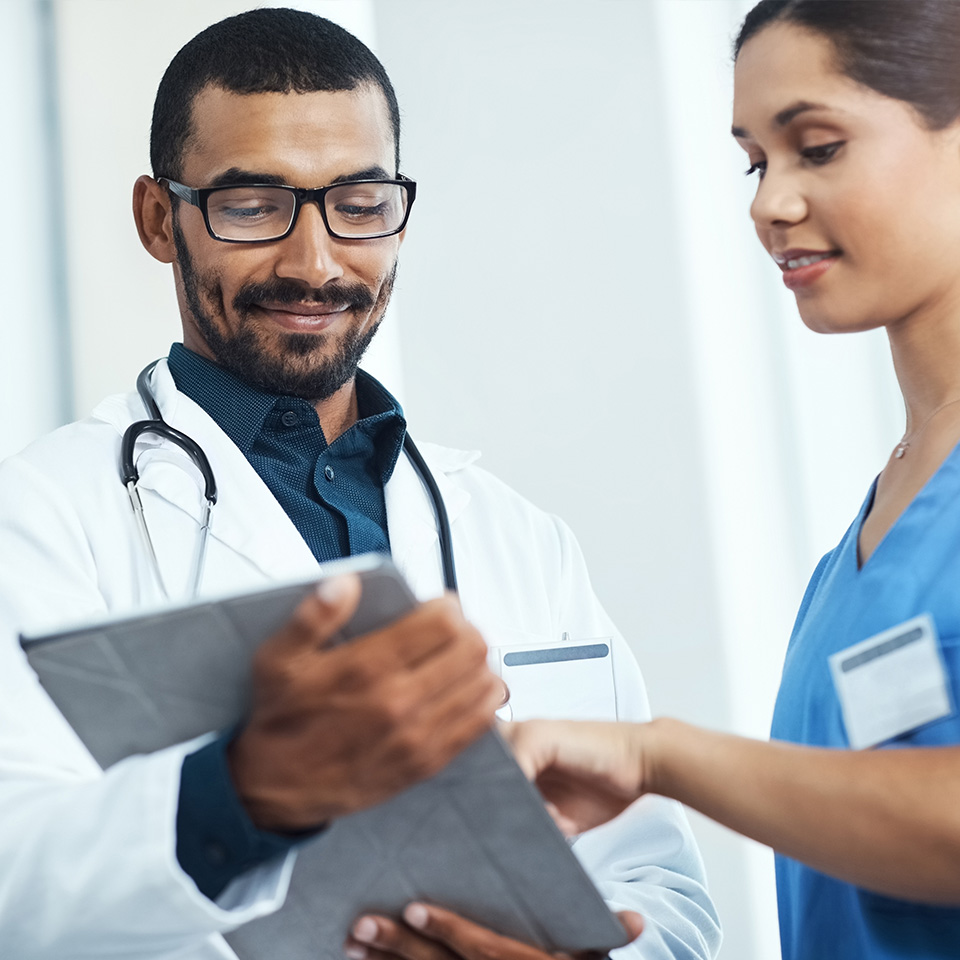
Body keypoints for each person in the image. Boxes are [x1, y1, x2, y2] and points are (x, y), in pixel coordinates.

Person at [0, 8, 719, 960]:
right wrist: (243, 795)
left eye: (361, 203)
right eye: (252, 206)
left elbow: (664, 891)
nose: (316, 262)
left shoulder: (517, 535)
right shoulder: (41, 518)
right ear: (158, 220)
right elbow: (14, 876)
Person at [501, 2, 960, 959]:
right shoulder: (874, 526)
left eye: (818, 148)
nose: (769, 204)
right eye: (756, 162)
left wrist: (658, 756)